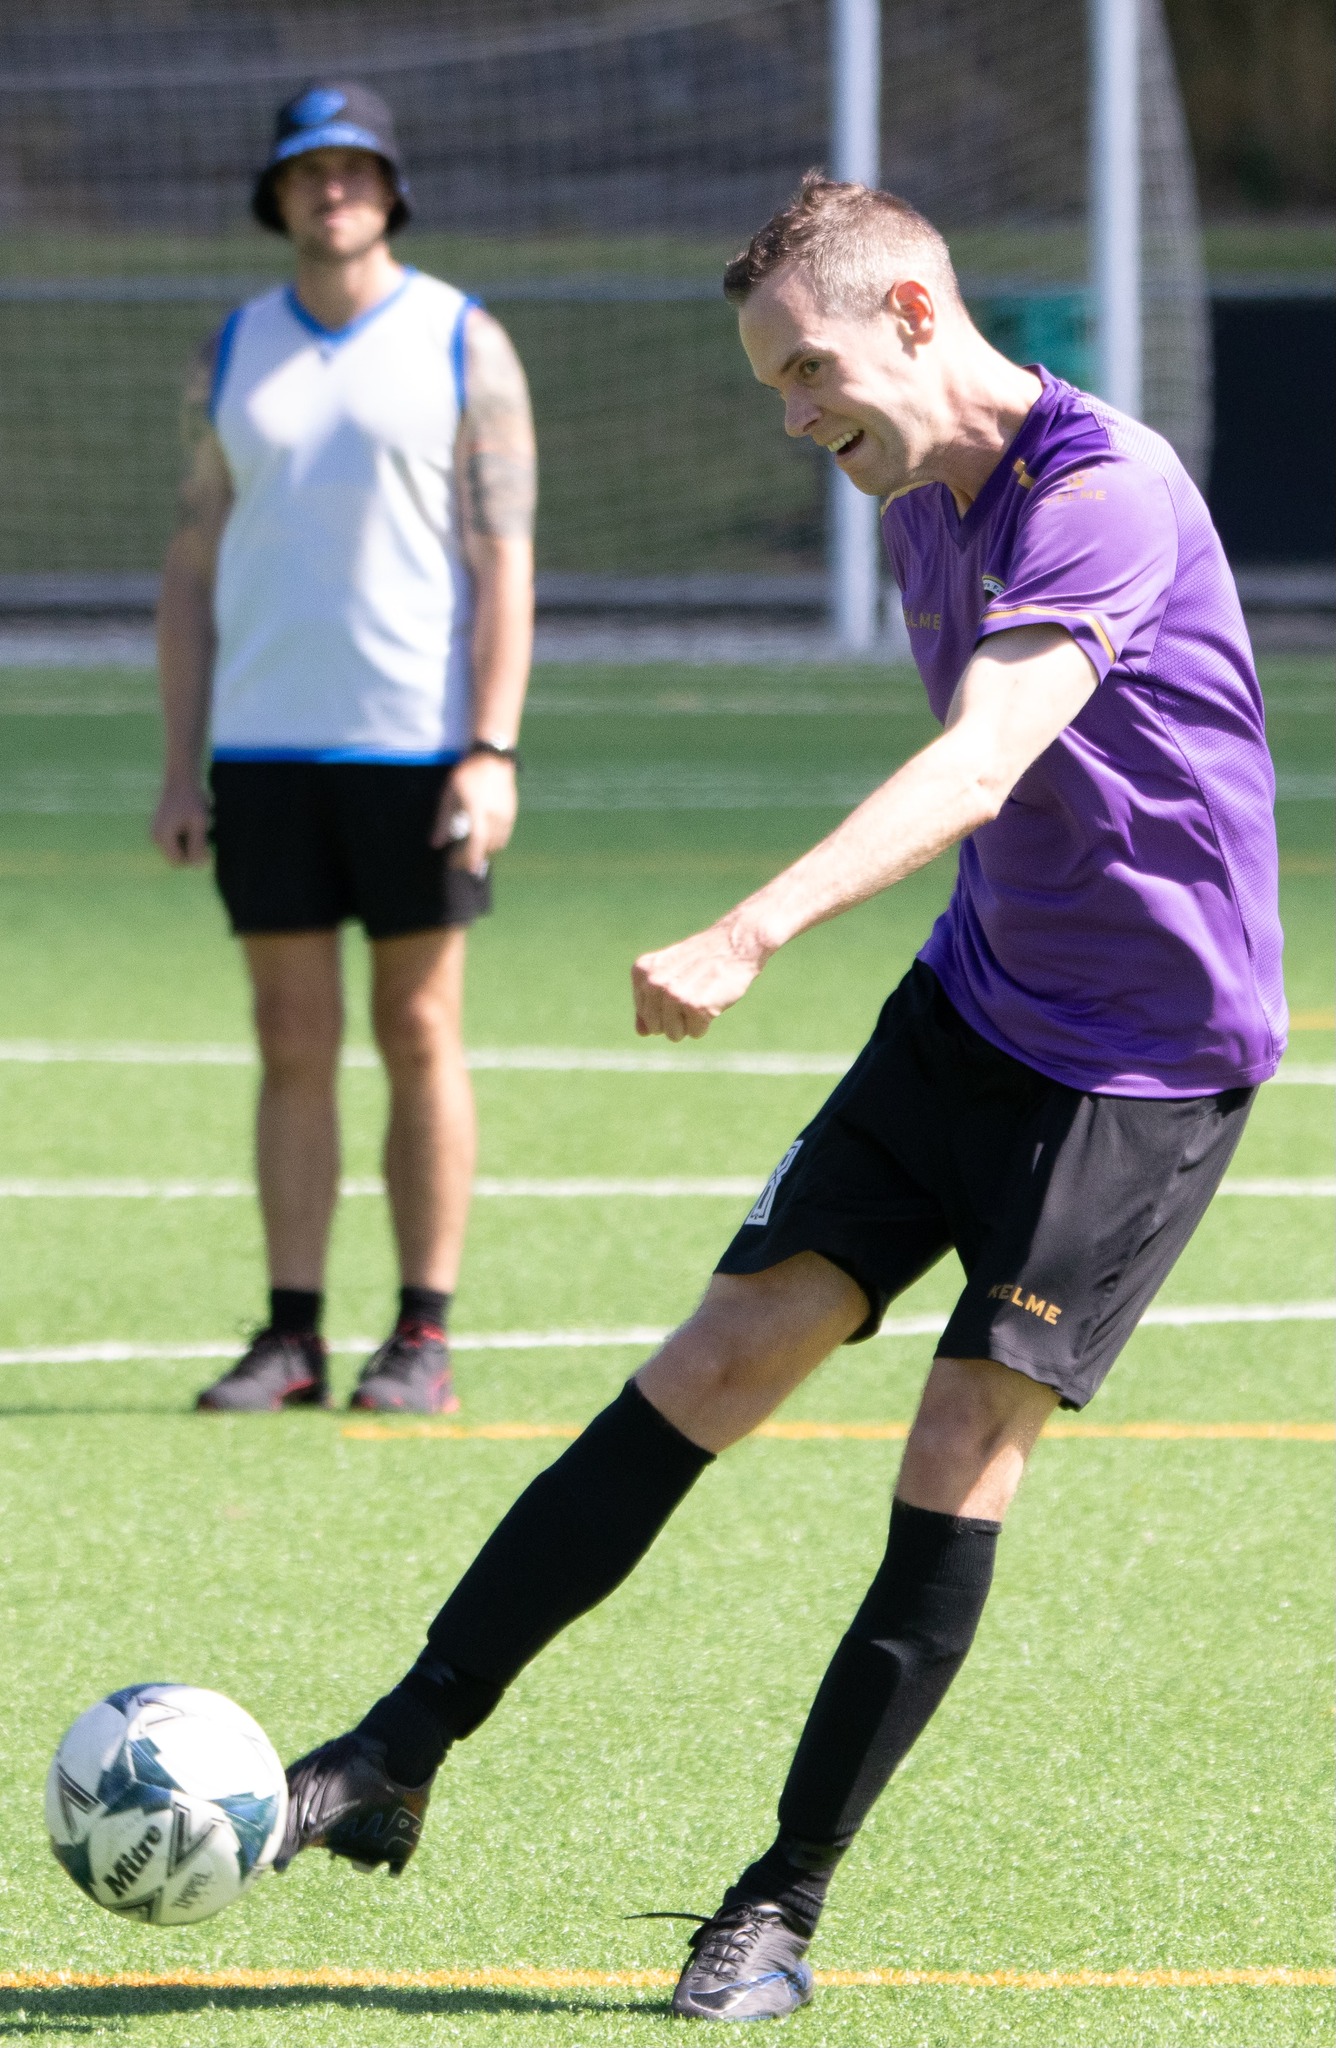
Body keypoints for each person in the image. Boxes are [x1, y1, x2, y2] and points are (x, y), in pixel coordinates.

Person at [270, 174, 1285, 2020]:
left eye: (810, 369)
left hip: (1139, 1070)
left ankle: (779, 1905)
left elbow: (982, 764)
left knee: (955, 1447)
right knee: (719, 1360)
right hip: (973, 1010)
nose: (797, 416)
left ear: (915, 312)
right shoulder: (918, 498)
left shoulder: (1103, 492)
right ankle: (393, 1749)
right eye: (772, 388)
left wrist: (749, 932)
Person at [152, 82, 536, 1416]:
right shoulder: (233, 348)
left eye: (357, 168)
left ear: (391, 190)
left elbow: (505, 555)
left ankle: (422, 1333)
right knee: (289, 1036)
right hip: (264, 751)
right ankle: (292, 1335)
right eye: (310, 170)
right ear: (277, 193)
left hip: (418, 748)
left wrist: (490, 747)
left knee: (420, 1027)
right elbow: (192, 560)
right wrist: (180, 763)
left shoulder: (461, 340)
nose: (333, 190)